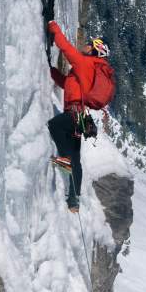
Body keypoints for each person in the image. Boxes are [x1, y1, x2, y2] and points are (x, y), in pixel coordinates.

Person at [46, 20, 111, 212]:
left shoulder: (86, 64)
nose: (86, 45)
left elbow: (66, 49)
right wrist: (50, 71)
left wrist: (53, 27)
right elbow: (68, 84)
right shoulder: (90, 69)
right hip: (81, 117)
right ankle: (74, 200)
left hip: (75, 114)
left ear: (95, 50)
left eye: (90, 44)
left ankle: (64, 160)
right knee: (75, 154)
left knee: (55, 126)